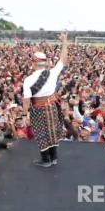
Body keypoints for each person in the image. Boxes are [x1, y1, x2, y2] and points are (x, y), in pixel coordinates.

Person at [22, 32, 68, 167]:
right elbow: (63, 59)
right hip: (52, 106)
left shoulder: (28, 80)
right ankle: (54, 158)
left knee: (41, 134)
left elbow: (26, 100)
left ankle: (46, 160)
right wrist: (64, 41)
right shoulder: (52, 73)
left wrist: (25, 114)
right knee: (52, 131)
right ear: (45, 63)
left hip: (38, 109)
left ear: (34, 63)